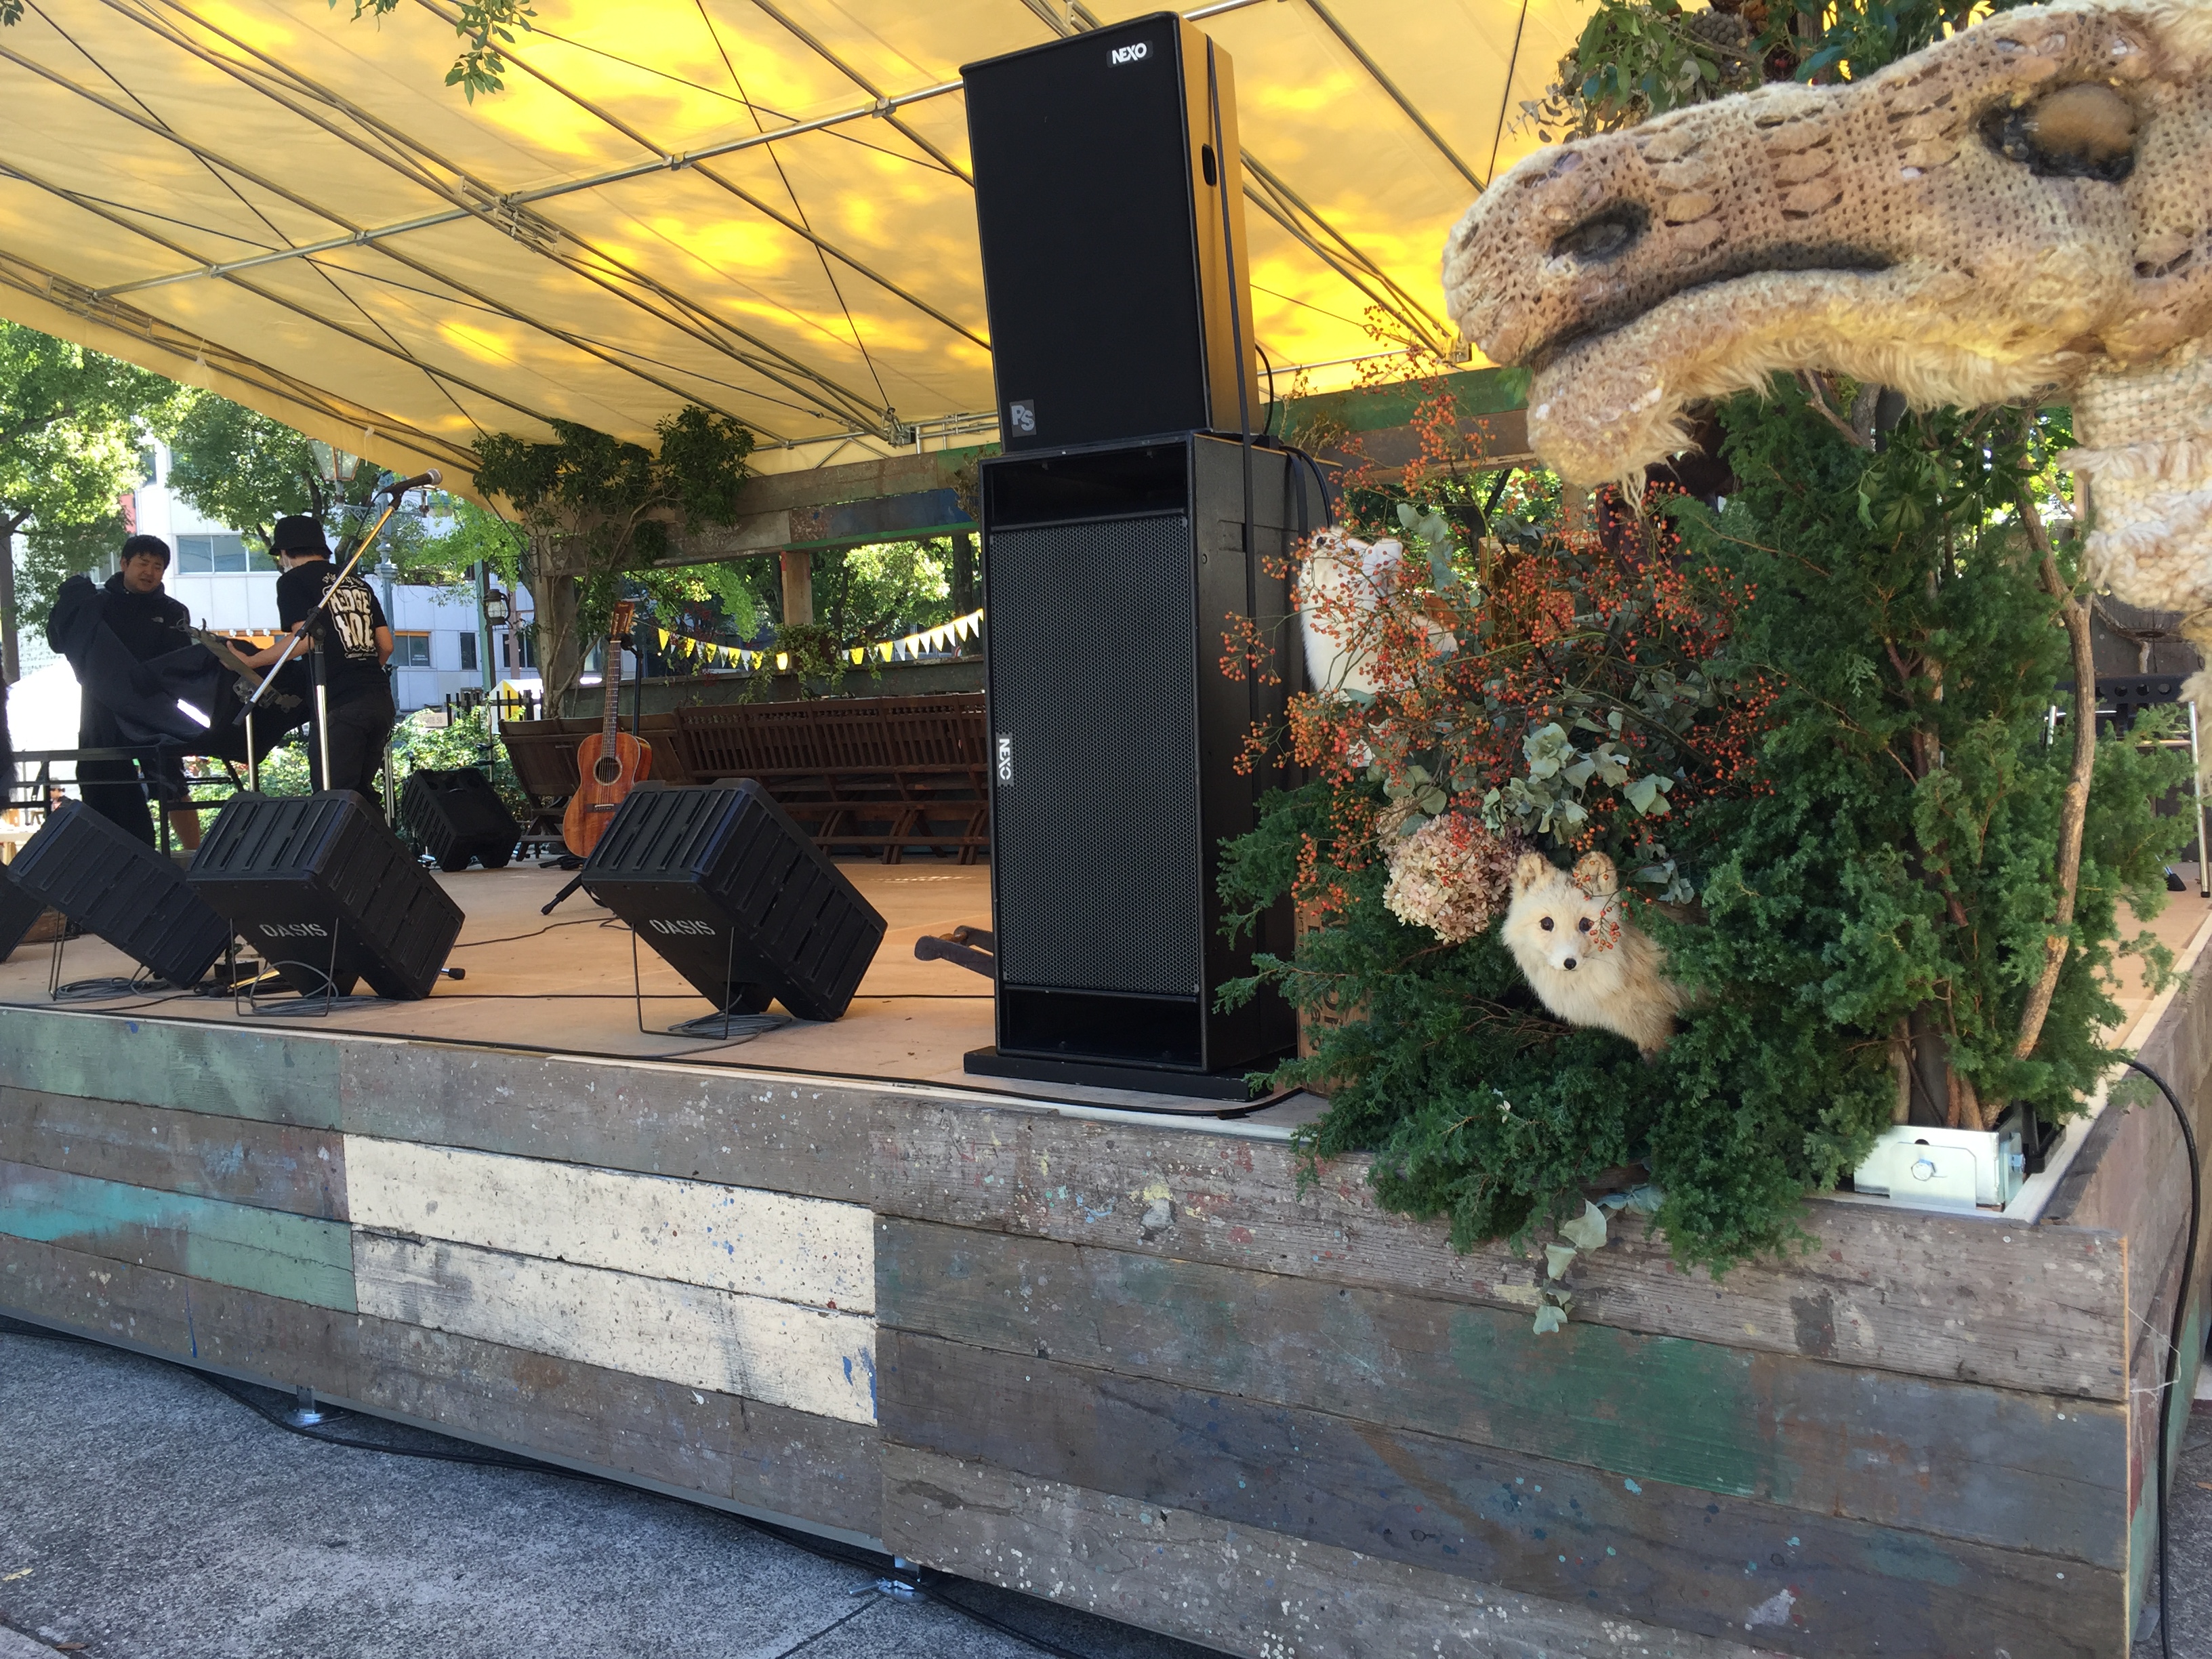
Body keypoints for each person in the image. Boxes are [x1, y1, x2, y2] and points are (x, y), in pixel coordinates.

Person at [241, 516, 394, 802]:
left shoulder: (292, 581)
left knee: (333, 798)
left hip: (338, 702)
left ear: (285, 553)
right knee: (361, 795)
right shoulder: (357, 583)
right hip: (380, 700)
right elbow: (386, 645)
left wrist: (251, 662)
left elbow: (304, 639)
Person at [68, 535, 202, 849]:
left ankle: (194, 859)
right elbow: (72, 646)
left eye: (158, 566)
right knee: (101, 785)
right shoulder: (97, 604)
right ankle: (114, 859)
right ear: (124, 563)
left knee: (172, 786)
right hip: (102, 710)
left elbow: (180, 662)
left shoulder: (173, 610)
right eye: (143, 563)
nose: (150, 572)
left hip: (154, 708)